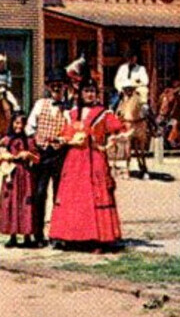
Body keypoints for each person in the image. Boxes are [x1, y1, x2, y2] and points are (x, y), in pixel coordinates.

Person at [48, 83, 126, 252]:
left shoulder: (103, 112)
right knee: (74, 196)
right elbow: (65, 133)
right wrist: (66, 139)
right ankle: (71, 237)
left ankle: (98, 238)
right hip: (74, 160)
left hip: (94, 158)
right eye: (87, 91)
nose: (90, 94)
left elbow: (118, 129)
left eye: (93, 91)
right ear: (80, 93)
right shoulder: (72, 113)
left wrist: (111, 140)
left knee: (94, 194)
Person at [23, 76, 73, 230]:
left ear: (65, 87)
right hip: (43, 154)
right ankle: (38, 232)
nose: (56, 89)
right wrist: (35, 144)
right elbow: (29, 127)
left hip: (60, 154)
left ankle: (58, 232)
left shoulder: (69, 109)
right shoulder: (40, 104)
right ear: (48, 87)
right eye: (53, 86)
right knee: (39, 193)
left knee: (60, 195)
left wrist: (64, 140)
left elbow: (73, 130)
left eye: (59, 85)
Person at [0, 126, 42, 248]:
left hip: (25, 175)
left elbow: (37, 159)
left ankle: (27, 236)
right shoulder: (6, 141)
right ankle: (12, 235)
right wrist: (3, 157)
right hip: (11, 175)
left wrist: (29, 155)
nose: (18, 126)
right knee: (11, 202)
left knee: (26, 203)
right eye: (16, 123)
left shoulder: (29, 141)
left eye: (21, 123)